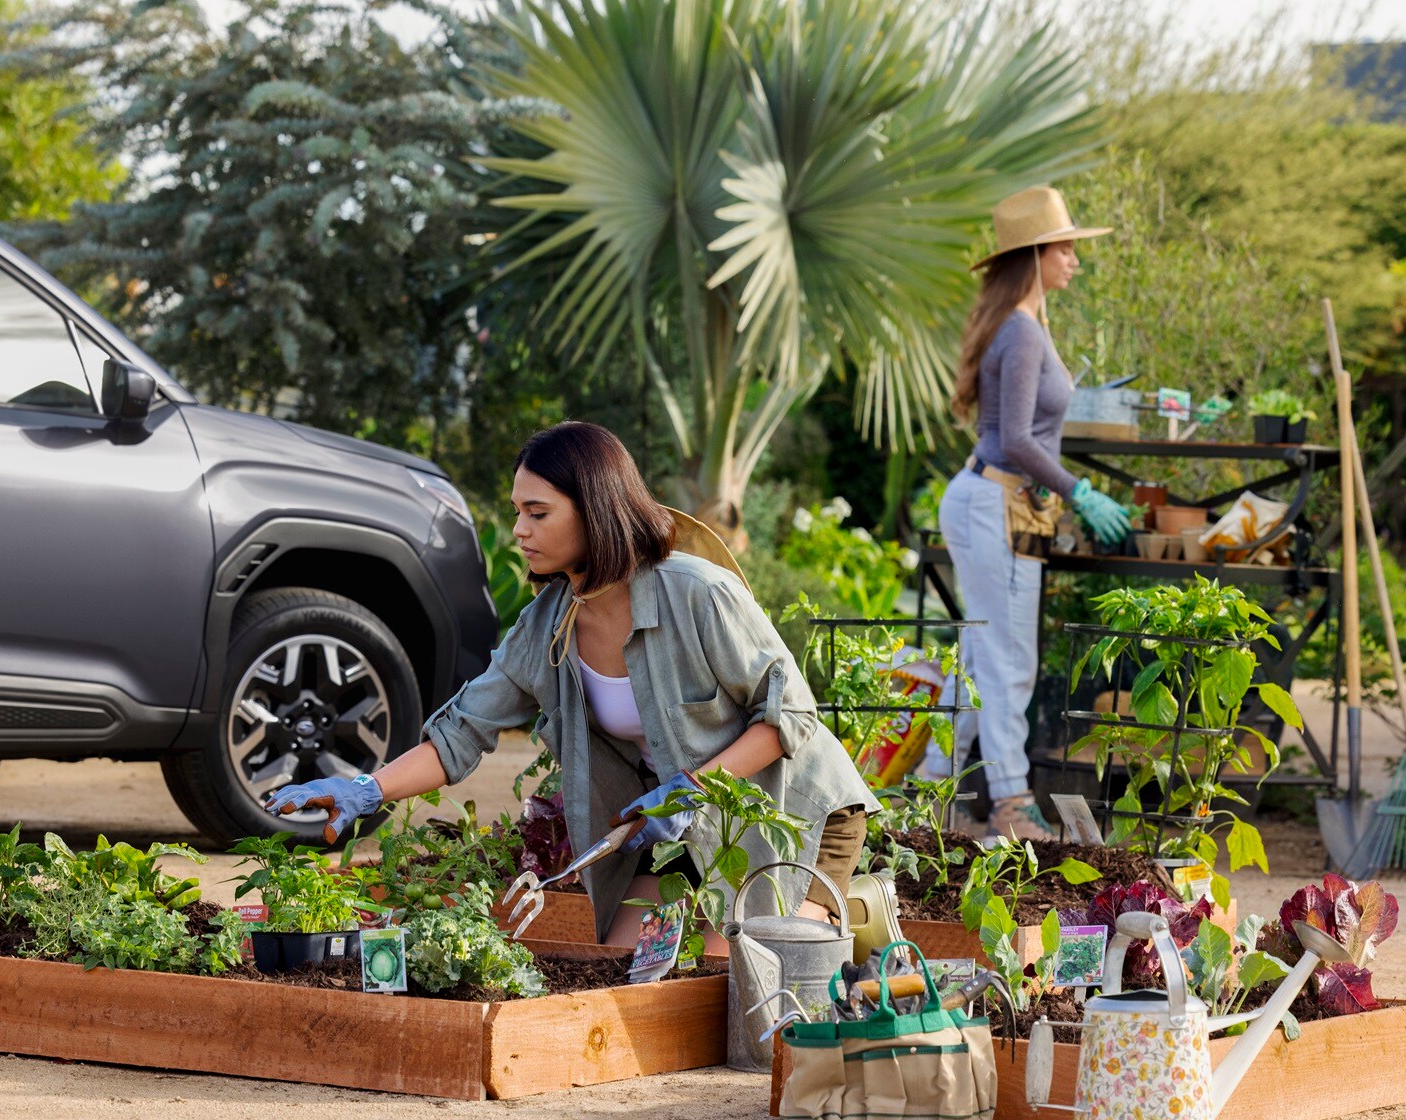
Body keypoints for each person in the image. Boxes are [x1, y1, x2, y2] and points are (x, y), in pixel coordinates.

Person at [270, 421, 878, 946]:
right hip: (679, 827)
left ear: (596, 510)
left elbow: (789, 716)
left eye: (538, 513)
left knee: (740, 980)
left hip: (789, 815)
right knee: (623, 974)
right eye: (517, 512)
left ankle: (846, 916)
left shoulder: (699, 593)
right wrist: (366, 790)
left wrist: (691, 789)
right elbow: (461, 734)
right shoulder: (543, 629)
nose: (519, 531)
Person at [918, 185, 1128, 840]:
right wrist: (1079, 490)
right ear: (1035, 255)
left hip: (990, 499)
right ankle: (1010, 801)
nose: (1075, 258)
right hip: (995, 505)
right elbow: (1014, 439)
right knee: (1009, 661)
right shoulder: (1022, 331)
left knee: (984, 659)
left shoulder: (1020, 324)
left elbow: (1017, 433)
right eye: (1066, 247)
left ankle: (928, 791)